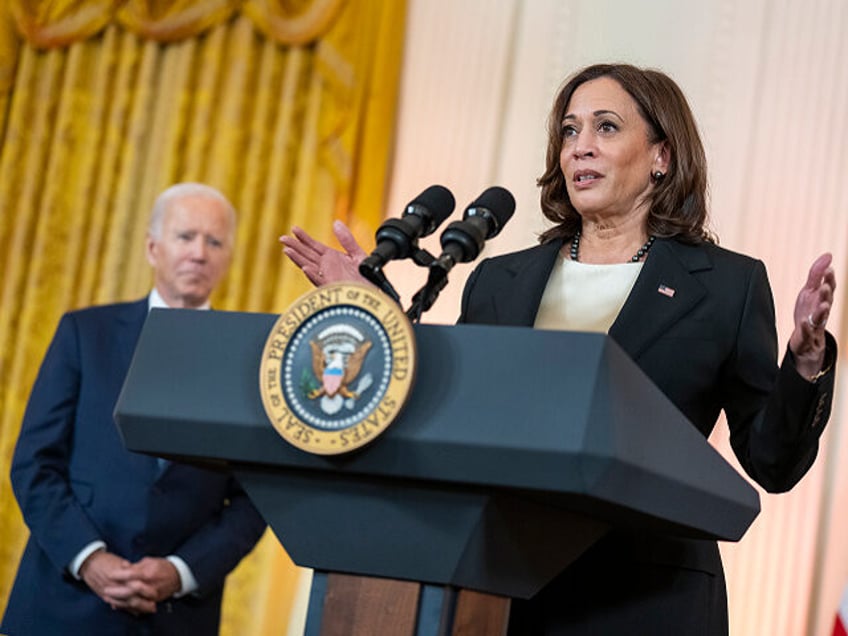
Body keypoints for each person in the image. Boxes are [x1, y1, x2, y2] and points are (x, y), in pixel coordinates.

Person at [279, 63, 838, 635]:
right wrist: (380, 317)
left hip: (647, 599)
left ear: (661, 156)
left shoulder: (726, 285)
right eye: (570, 132)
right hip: (502, 588)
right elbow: (455, 408)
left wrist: (806, 359)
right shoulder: (500, 280)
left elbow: (772, 462)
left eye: (606, 128)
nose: (581, 148)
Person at [2, 183, 267, 635]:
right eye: (185, 237)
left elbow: (254, 499)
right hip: (60, 605)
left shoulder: (253, 362)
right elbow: (34, 464)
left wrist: (181, 571)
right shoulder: (85, 334)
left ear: (228, 258)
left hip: (173, 617)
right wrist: (89, 558)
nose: (199, 253)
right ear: (152, 247)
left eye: (215, 241)